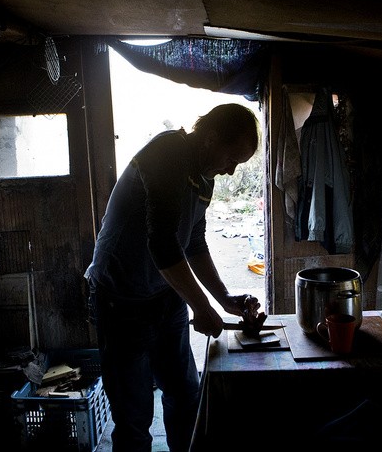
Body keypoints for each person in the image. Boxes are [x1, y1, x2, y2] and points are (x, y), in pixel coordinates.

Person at [85, 103, 262, 452]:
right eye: (232, 159)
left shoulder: (204, 177)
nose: (231, 170)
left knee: (185, 398)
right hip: (120, 301)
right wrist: (201, 306)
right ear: (211, 138)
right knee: (134, 419)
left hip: (165, 298)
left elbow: (192, 242)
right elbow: (163, 244)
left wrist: (224, 300)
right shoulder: (168, 152)